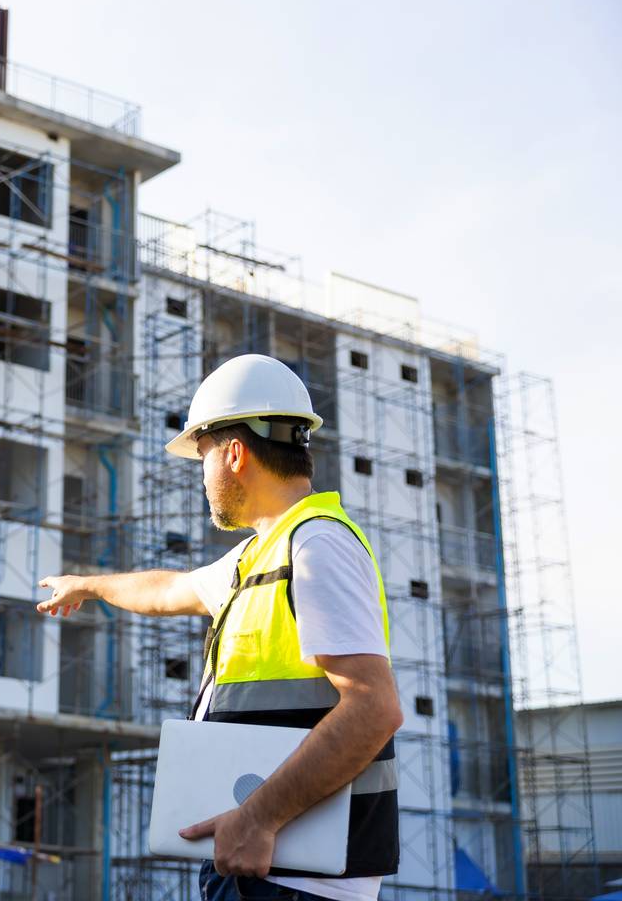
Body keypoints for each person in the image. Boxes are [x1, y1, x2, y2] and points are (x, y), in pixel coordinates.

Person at [37, 354, 402, 901]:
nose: (202, 478)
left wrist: (259, 817)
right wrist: (87, 585)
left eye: (203, 456)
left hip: (297, 881)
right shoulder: (260, 555)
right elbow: (168, 590)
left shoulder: (316, 546)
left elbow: (374, 709)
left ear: (234, 454)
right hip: (262, 867)